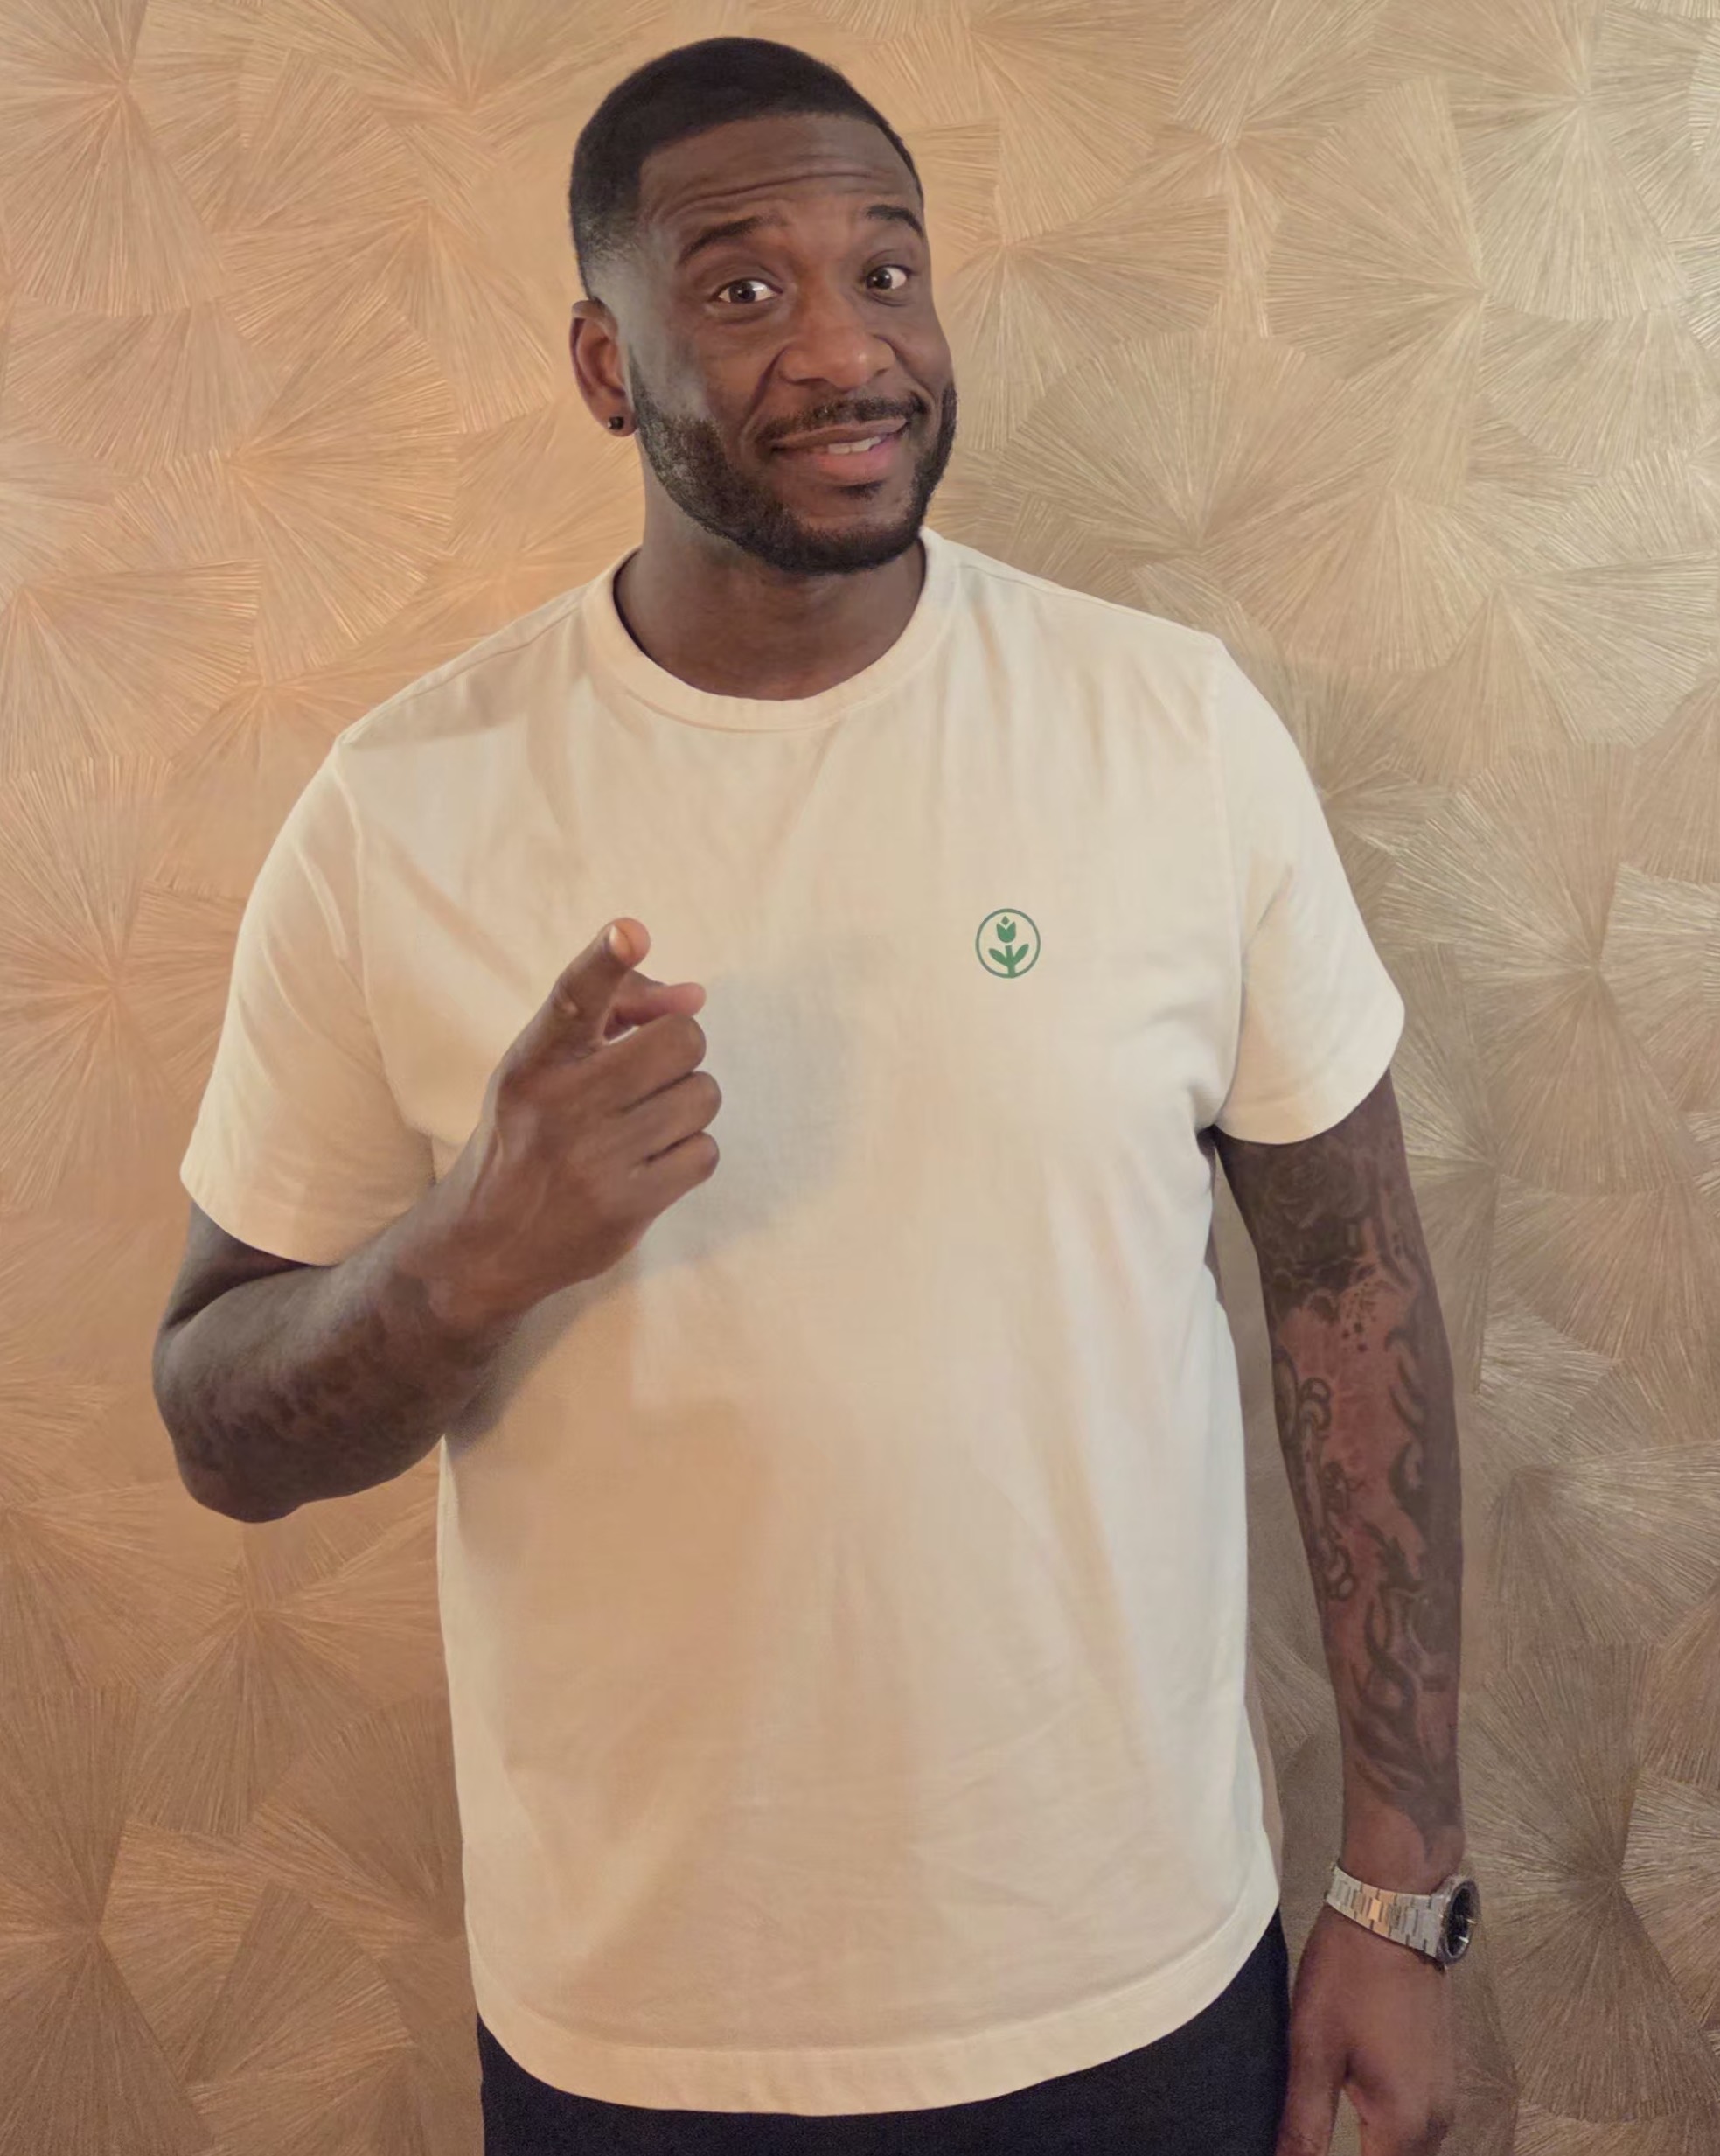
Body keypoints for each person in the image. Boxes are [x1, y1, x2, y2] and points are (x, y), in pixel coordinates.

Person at [150, 36, 1475, 2156]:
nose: (848, 347)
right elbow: (218, 1422)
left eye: (888, 269)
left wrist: (1398, 1890)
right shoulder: (403, 810)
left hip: (1131, 1976)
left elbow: (1351, 1290)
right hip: (640, 2034)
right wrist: (462, 1260)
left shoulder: (1167, 732)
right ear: (606, 365)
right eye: (745, 287)